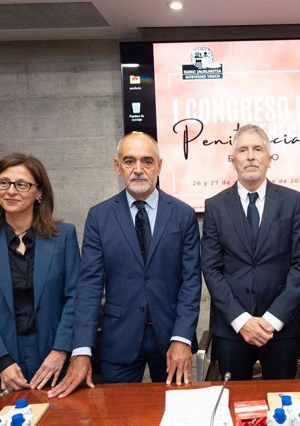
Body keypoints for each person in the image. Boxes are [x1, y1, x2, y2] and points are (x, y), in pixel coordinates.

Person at [48, 131, 201, 398]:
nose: (138, 170)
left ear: (160, 166)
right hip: (119, 339)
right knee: (117, 415)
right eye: (129, 161)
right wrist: (81, 350)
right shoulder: (100, 216)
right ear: (117, 166)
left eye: (147, 161)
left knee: (179, 412)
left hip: (172, 338)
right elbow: (89, 285)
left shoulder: (183, 214)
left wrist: (182, 338)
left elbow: (191, 281)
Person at [201, 124, 300, 381]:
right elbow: (211, 268)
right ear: (233, 160)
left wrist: (272, 320)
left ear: (269, 158)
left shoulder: (291, 201)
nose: (250, 156)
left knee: (281, 404)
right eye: (243, 150)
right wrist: (241, 321)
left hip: (280, 330)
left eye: (257, 149)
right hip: (232, 330)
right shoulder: (215, 207)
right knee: (234, 406)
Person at [0, 154, 79, 390]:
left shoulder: (64, 237)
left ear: (39, 192)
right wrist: (2, 362)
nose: (11, 190)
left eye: (21, 184)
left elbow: (74, 298)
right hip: (1, 362)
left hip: (53, 359)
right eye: (3, 182)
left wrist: (61, 350)